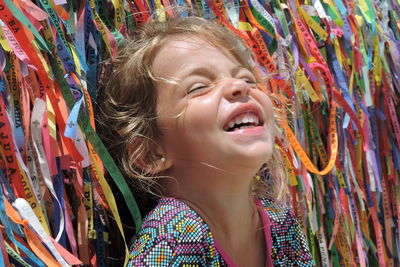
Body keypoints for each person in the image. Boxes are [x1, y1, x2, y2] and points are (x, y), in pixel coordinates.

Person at [97, 16, 314, 266]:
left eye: (247, 79)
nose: (238, 87)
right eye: (199, 87)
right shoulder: (174, 236)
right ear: (150, 153)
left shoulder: (281, 224)